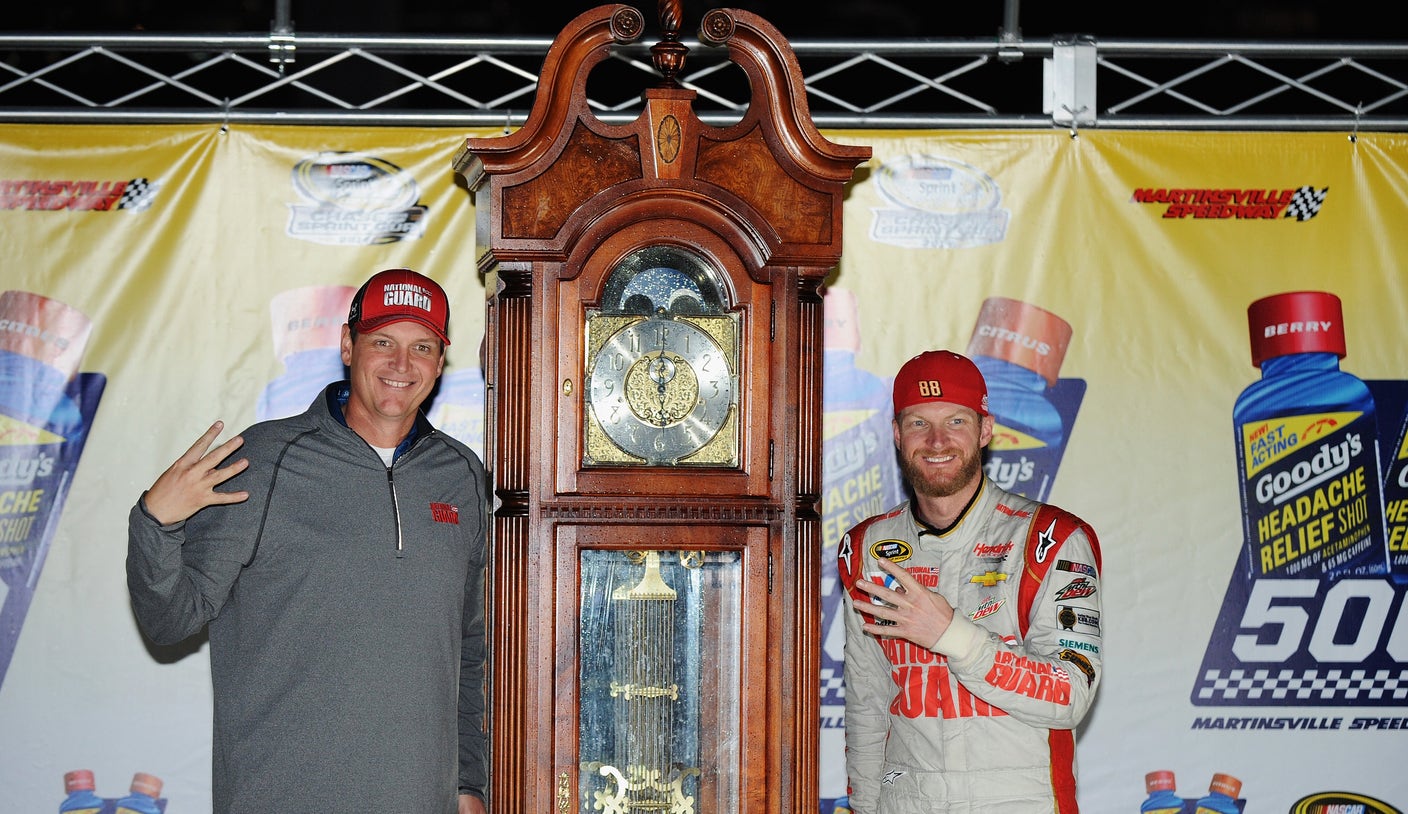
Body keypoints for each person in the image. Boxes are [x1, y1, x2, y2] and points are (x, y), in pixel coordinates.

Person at [126, 268, 490, 814]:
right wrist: (156, 523)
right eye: (382, 342)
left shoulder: (461, 475)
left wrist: (467, 784)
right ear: (347, 346)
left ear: (440, 363)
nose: (401, 364)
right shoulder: (262, 461)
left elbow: (471, 649)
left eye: (422, 347)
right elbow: (170, 620)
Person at [837, 349, 1102, 813]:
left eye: (955, 422)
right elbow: (867, 705)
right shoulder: (867, 548)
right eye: (919, 423)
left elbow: (1070, 695)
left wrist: (952, 636)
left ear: (985, 430)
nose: (937, 440)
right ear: (897, 434)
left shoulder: (1050, 539)